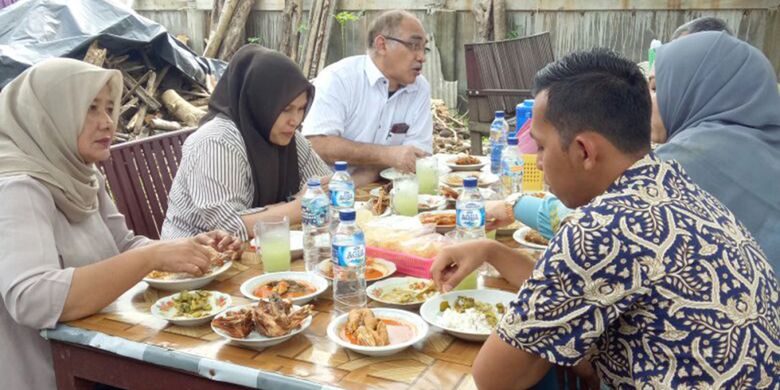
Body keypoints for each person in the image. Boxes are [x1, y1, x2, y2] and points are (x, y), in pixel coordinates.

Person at [430, 48, 779, 389]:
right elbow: (563, 292)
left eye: (540, 146)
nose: (537, 161)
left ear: (584, 150)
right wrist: (490, 252)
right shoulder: (672, 183)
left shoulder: (601, 229)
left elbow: (493, 378)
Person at [0, 58, 241, 389]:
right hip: (55, 374)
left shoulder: (82, 175)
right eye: (91, 108)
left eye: (109, 108)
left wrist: (184, 248)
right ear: (48, 114)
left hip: (103, 355)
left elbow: (124, 245)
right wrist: (151, 258)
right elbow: (32, 298)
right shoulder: (18, 188)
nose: (107, 123)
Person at [161, 45, 334, 241]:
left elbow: (328, 187)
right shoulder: (217, 142)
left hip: (258, 250)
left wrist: (292, 204)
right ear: (258, 102)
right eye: (286, 109)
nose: (296, 120)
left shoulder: (287, 137)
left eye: (301, 108)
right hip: (194, 260)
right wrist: (299, 206)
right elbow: (227, 227)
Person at [648, 31, 780, 275]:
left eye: (656, 88)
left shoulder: (681, 161)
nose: (648, 101)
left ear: (693, 90)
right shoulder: (768, 147)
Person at [301, 10, 433, 174]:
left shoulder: (419, 88)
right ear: (382, 45)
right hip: (330, 189)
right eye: (413, 46)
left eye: (424, 48)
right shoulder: (340, 78)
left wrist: (361, 180)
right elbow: (318, 144)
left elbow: (417, 155)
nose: (421, 57)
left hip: (388, 187)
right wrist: (386, 155)